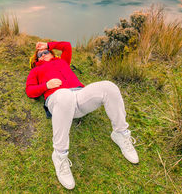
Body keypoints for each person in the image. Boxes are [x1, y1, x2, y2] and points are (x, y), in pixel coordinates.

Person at [25, 41, 139, 190]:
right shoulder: (35, 71)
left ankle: (120, 133)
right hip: (58, 99)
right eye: (39, 55)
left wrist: (47, 44)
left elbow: (66, 46)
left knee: (108, 87)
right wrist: (46, 86)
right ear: (36, 61)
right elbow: (30, 91)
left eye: (46, 52)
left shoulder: (62, 61)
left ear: (52, 53)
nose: (43, 55)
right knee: (64, 95)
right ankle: (59, 156)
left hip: (80, 96)